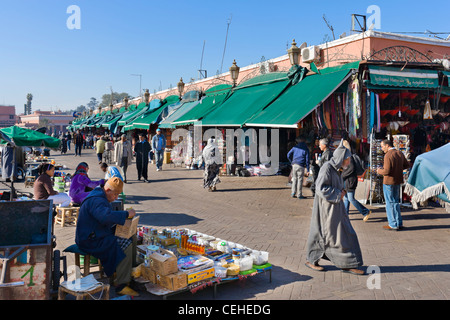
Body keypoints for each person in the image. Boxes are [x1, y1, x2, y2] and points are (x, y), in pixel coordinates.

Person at [305, 139, 365, 275]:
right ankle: (312, 259)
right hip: (326, 210)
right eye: (347, 159)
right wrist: (339, 193)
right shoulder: (327, 168)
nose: (349, 162)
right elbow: (321, 188)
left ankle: (347, 263)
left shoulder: (336, 169)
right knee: (324, 233)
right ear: (340, 158)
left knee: (343, 233)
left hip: (336, 208)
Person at [75, 177, 139, 296]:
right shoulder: (97, 200)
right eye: (115, 194)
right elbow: (105, 217)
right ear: (108, 190)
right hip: (89, 239)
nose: (116, 198)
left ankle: (129, 273)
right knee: (125, 243)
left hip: (98, 232)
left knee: (132, 236)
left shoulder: (101, 195)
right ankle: (122, 284)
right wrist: (125, 214)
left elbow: (105, 219)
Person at [377, 139, 410, 231]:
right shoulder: (399, 153)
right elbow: (407, 165)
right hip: (397, 181)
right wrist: (398, 169)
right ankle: (399, 223)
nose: (382, 148)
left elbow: (386, 171)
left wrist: (379, 171)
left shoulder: (388, 155)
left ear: (387, 145)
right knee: (395, 202)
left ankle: (393, 224)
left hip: (388, 182)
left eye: (382, 146)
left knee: (390, 203)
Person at [341, 141, 371, 222]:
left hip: (350, 181)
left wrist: (342, 175)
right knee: (346, 198)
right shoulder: (348, 156)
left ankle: (365, 211)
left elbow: (351, 169)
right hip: (349, 181)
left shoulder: (349, 157)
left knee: (350, 198)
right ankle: (345, 215)